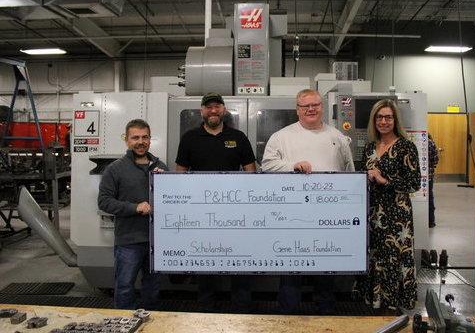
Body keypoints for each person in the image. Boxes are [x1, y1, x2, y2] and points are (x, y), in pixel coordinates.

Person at [262, 89, 355, 315]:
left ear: (322, 107)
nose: (311, 110)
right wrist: (292, 166)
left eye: (315, 105)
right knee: (292, 265)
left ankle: (326, 311)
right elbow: (266, 165)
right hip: (291, 216)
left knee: (325, 263)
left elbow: (349, 173)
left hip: (328, 216)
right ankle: (288, 312)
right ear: (297, 110)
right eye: (305, 106)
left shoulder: (337, 137)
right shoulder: (281, 137)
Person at [175, 92, 256, 313]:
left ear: (224, 110)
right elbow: (179, 177)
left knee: (239, 262)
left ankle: (243, 312)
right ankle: (205, 312)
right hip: (202, 217)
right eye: (208, 107)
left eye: (217, 106)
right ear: (202, 111)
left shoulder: (239, 138)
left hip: (235, 216)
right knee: (205, 264)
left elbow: (252, 176)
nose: (213, 110)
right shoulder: (190, 138)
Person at [98, 119, 168, 310]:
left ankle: (151, 323)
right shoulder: (115, 169)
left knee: (152, 288)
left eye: (145, 137)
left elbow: (172, 202)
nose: (141, 141)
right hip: (128, 241)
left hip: (155, 242)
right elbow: (104, 201)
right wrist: (135, 207)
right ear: (126, 140)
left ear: (150, 139)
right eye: (135, 137)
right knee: (124, 287)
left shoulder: (161, 167)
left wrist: (166, 182)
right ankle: (123, 324)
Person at [358, 99, 420, 314]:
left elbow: (414, 183)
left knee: (392, 257)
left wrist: (385, 180)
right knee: (374, 256)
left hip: (396, 215)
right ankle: (374, 302)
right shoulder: (368, 149)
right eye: (379, 117)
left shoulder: (406, 147)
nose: (383, 121)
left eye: (388, 117)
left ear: (395, 120)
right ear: (374, 121)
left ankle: (392, 306)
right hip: (372, 212)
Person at [428, 134, 439, 228]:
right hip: (428, 176)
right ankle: (431, 221)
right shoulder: (431, 143)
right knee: (429, 197)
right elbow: (435, 160)